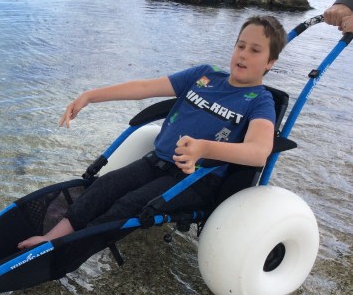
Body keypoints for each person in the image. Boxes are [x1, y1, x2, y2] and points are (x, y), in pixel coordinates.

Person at [18, 15, 287, 250]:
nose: (242, 54)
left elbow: (259, 152)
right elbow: (145, 88)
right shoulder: (205, 75)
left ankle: (65, 252)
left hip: (196, 178)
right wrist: (90, 96)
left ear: (270, 62)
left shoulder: (259, 101)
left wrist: (205, 149)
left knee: (128, 206)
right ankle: (51, 239)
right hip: (156, 161)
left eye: (254, 50)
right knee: (104, 185)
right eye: (240, 45)